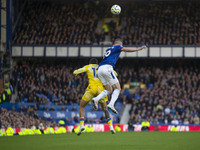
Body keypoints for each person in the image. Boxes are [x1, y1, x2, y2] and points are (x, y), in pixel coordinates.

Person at [91, 39, 146, 114]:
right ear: (120, 44)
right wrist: (138, 49)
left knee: (109, 90)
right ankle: (111, 104)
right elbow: (126, 50)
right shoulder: (117, 47)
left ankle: (96, 99)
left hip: (100, 69)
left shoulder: (109, 49)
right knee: (118, 88)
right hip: (107, 68)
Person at [73, 58, 115, 136]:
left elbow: (76, 71)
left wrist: (75, 73)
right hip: (101, 90)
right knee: (105, 109)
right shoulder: (102, 67)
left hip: (92, 88)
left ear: (90, 63)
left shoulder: (88, 67)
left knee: (81, 106)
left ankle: (82, 125)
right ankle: (111, 127)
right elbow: (114, 73)